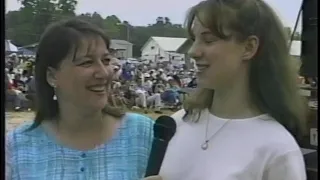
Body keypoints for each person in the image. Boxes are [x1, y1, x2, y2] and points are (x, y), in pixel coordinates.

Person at [159, 0, 307, 180]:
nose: (193, 51)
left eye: (208, 40)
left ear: (249, 47)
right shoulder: (179, 122)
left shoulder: (277, 149)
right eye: (194, 39)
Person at [6, 19, 154, 180]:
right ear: (52, 76)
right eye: (87, 62)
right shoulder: (17, 147)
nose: (104, 73)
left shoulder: (145, 134)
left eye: (106, 61)